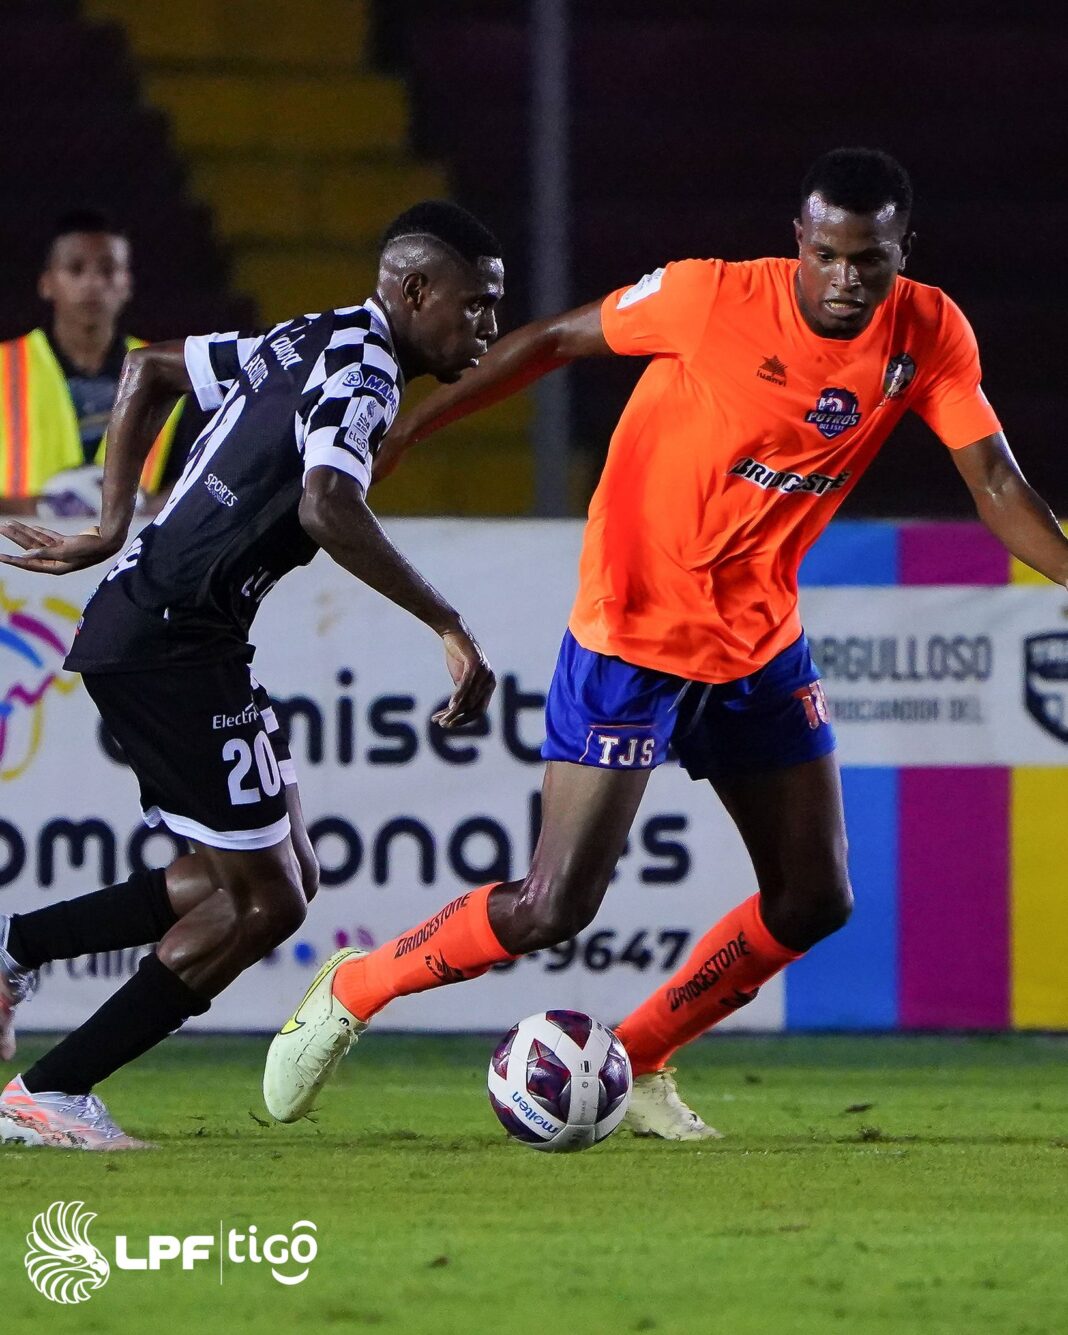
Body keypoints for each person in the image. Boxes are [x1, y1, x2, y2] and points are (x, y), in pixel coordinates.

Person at [262, 147, 1068, 1140]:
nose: (847, 279)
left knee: (814, 899)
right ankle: (358, 986)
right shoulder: (710, 298)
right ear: (799, 241)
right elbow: (554, 339)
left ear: (905, 251)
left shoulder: (930, 330)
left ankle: (639, 1058)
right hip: (632, 632)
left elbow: (995, 482)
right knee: (552, 906)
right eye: (827, 255)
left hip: (758, 641)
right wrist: (413, 430)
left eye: (871, 259)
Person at [0, 200, 502, 1149]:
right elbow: (325, 504)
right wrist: (447, 622)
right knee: (267, 901)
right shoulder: (365, 370)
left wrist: (112, 525)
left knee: (269, 874)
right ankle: (49, 1091)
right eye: (475, 304)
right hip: (171, 642)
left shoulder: (309, 335)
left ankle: (18, 948)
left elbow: (149, 370)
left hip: (175, 632)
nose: (487, 326)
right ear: (415, 291)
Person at [0, 208, 200, 519]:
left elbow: (199, 475)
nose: (92, 283)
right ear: (46, 283)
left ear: (126, 283)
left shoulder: (169, 369)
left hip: (135, 543)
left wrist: (150, 507)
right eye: (75, 269)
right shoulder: (4, 366)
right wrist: (38, 509)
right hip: (15, 545)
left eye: (107, 270)